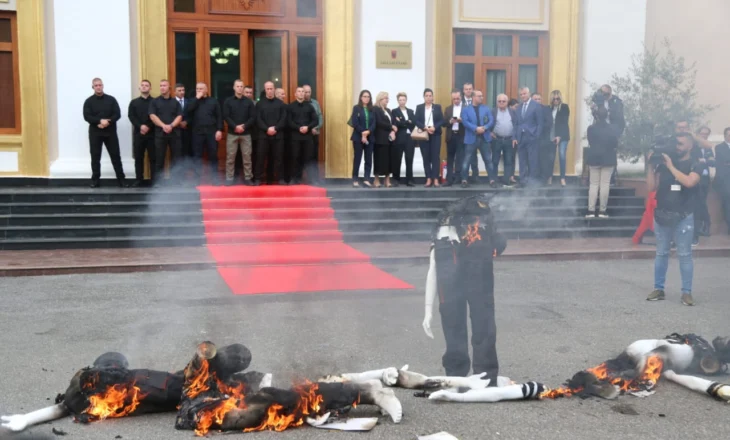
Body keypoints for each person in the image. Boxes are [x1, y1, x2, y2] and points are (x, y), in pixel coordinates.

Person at [422, 195, 507, 380]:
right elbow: (434, 267)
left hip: (478, 274)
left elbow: (498, 243)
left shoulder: (481, 229)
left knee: (483, 324)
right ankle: (457, 373)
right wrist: (427, 309)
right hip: (450, 278)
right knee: (454, 324)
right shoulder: (444, 231)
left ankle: (485, 375)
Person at [646, 132, 705, 306]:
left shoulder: (696, 163)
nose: (676, 147)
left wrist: (671, 166)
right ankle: (658, 289)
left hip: (684, 216)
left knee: (685, 254)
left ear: (690, 146)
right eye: (676, 143)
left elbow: (689, 182)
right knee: (661, 253)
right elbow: (651, 187)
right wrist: (650, 166)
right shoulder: (662, 165)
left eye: (680, 144)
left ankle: (686, 293)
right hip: (662, 214)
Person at [82, 78, 126, 188]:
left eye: (100, 85)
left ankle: (122, 180)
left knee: (115, 156)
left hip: (110, 132)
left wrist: (107, 122)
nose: (98, 87)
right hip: (95, 133)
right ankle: (95, 180)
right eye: (96, 85)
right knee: (95, 157)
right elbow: (87, 116)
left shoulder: (111, 100)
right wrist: (99, 121)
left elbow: (117, 114)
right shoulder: (88, 101)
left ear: (103, 86)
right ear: (93, 87)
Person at [186, 82, 223, 185]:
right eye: (197, 89)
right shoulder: (193, 101)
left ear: (206, 90)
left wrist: (219, 130)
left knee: (213, 155)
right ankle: (197, 179)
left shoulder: (213, 101)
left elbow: (219, 116)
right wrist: (197, 98)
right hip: (197, 132)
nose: (199, 90)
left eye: (201, 89)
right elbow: (188, 110)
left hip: (211, 132)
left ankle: (214, 179)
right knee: (197, 156)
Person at [149, 79, 183, 185]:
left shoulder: (175, 102)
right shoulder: (154, 102)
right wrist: (163, 126)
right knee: (159, 158)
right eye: (160, 85)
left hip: (174, 134)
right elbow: (152, 116)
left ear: (169, 88)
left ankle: (175, 181)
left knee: (176, 158)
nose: (162, 87)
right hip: (160, 134)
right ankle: (158, 182)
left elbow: (179, 116)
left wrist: (171, 125)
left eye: (164, 85)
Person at [585, 107, 618, 218]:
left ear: (596, 116)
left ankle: (590, 211)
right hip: (608, 158)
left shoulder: (591, 128)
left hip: (594, 158)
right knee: (605, 185)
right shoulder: (612, 129)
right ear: (607, 115)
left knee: (593, 185)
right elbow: (615, 144)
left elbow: (590, 141)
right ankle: (602, 211)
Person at [223, 79, 256, 186]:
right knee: (230, 157)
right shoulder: (228, 101)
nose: (240, 88)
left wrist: (244, 126)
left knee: (247, 157)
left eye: (241, 86)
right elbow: (226, 116)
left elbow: (252, 117)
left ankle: (248, 178)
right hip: (232, 133)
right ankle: (229, 178)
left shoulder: (249, 102)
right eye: (238, 86)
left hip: (246, 133)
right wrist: (235, 126)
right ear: (234, 87)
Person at [460, 90, 495, 188]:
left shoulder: (486, 108)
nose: (481, 98)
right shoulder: (466, 109)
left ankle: (492, 180)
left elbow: (491, 120)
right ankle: (464, 180)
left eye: (482, 96)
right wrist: (476, 128)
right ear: (473, 97)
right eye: (479, 96)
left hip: (484, 138)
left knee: (488, 160)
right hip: (471, 138)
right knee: (466, 160)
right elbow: (465, 122)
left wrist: (485, 128)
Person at [254, 81, 287, 185]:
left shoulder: (280, 104)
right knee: (261, 157)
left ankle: (280, 179)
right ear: (265, 90)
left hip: (278, 135)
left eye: (271, 88)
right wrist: (267, 129)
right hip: (263, 135)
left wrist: (275, 128)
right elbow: (258, 119)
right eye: (267, 89)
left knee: (279, 158)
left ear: (274, 89)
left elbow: (284, 119)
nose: (269, 91)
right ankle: (257, 179)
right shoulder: (260, 104)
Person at [287, 86, 318, 185]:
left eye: (302, 92)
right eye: (299, 91)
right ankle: (294, 179)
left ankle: (311, 179)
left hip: (307, 137)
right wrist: (298, 128)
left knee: (309, 158)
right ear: (295, 94)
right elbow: (288, 121)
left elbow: (315, 120)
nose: (301, 93)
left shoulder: (310, 106)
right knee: (295, 157)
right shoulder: (290, 107)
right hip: (295, 136)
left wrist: (307, 128)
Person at [127, 79, 155, 187]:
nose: (144, 87)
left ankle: (154, 180)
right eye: (142, 85)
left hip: (152, 134)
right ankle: (139, 179)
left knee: (153, 158)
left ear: (150, 88)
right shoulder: (134, 102)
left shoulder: (154, 102)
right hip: (139, 134)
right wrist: (141, 126)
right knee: (138, 157)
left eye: (146, 85)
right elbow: (131, 116)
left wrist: (148, 126)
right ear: (139, 88)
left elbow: (156, 116)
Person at [415, 88, 445, 188]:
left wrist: (434, 127)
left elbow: (442, 120)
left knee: (435, 157)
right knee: (426, 157)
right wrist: (424, 127)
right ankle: (428, 178)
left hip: (435, 134)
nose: (428, 97)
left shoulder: (437, 107)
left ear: (433, 97)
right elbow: (416, 120)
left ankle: (435, 179)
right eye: (426, 96)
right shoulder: (419, 107)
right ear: (424, 97)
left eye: (430, 96)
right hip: (424, 135)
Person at [514, 87, 543, 187]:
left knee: (532, 160)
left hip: (532, 137)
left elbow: (540, 123)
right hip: (521, 138)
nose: (523, 96)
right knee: (522, 161)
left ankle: (532, 182)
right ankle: (522, 181)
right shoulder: (519, 107)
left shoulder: (536, 106)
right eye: (521, 94)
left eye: (524, 94)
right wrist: (514, 137)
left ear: (529, 94)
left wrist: (537, 136)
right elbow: (516, 124)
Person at [349, 90, 376, 187]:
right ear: (361, 97)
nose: (366, 98)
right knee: (357, 158)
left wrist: (368, 132)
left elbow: (374, 123)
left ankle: (367, 179)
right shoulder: (356, 108)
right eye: (364, 96)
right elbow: (355, 122)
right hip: (358, 137)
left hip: (370, 137)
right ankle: (355, 179)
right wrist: (363, 133)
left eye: (368, 96)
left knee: (368, 159)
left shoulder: (372, 109)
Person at [490, 94, 518, 186]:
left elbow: (516, 125)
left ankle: (506, 180)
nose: (501, 103)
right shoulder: (493, 111)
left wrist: (514, 137)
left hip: (509, 140)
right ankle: (493, 179)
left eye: (504, 101)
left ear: (507, 102)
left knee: (508, 161)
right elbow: (487, 123)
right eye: (499, 101)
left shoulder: (512, 112)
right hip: (496, 139)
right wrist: (490, 132)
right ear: (497, 102)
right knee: (494, 160)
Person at [391, 92, 416, 186]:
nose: (402, 101)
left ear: (406, 100)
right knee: (397, 159)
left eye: (403, 99)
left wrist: (403, 121)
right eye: (400, 100)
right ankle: (396, 179)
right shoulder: (394, 111)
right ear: (398, 101)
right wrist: (407, 122)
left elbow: (413, 123)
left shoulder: (411, 111)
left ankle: (409, 180)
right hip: (399, 138)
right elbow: (397, 124)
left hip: (410, 138)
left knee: (409, 159)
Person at [443, 90, 465, 187]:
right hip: (451, 135)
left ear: (461, 97)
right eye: (454, 99)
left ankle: (458, 178)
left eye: (458, 98)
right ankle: (449, 179)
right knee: (450, 158)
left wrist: (462, 120)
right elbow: (444, 123)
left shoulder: (466, 108)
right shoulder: (448, 109)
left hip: (461, 136)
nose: (456, 100)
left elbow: (470, 122)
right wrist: (450, 121)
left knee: (460, 158)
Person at [549, 90, 570, 187]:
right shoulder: (549, 108)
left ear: (560, 98)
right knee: (551, 156)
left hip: (563, 134)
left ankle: (562, 178)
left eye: (557, 98)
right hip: (552, 134)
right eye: (554, 99)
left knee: (561, 155)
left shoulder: (564, 107)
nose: (556, 100)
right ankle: (549, 176)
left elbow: (564, 122)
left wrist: (559, 136)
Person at [715, 127, 730, 235]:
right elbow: (723, 162)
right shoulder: (719, 147)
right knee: (728, 205)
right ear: (725, 136)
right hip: (726, 181)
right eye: (728, 135)